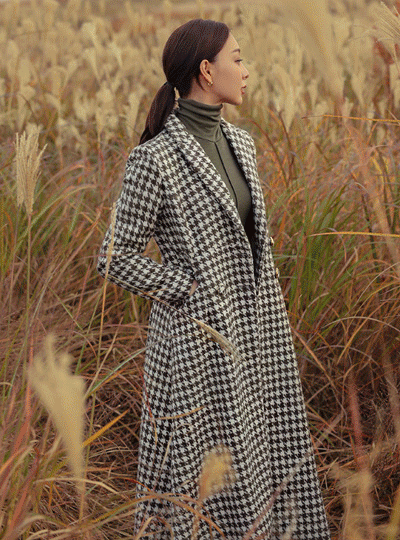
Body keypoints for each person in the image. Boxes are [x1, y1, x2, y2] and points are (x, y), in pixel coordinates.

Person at [97, 18, 331, 540]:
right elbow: (113, 256)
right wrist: (187, 288)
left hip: (259, 330)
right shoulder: (154, 159)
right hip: (198, 342)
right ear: (206, 70)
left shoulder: (242, 144)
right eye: (238, 59)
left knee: (269, 453)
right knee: (210, 475)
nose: (246, 71)